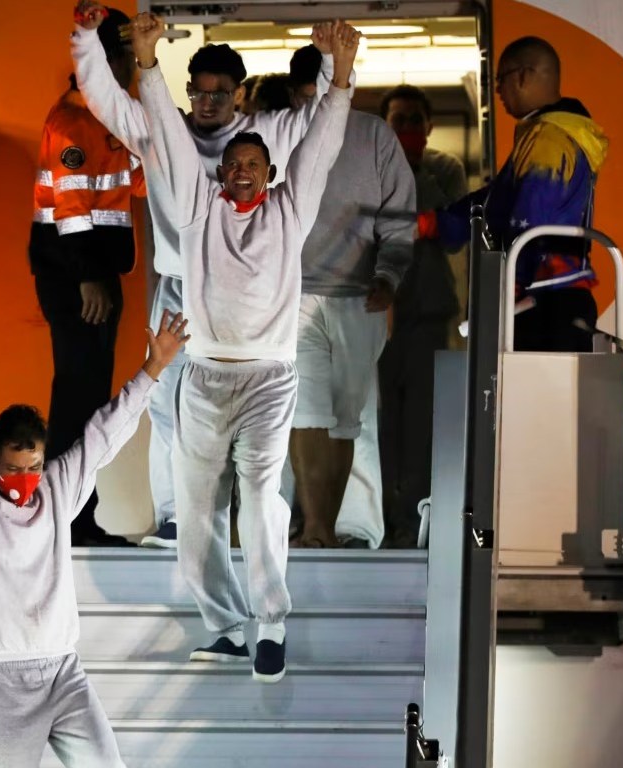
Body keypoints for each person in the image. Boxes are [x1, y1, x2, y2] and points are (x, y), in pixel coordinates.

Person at [131, 11, 360, 683]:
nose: (239, 173)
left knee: (260, 499)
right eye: (232, 165)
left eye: (252, 166)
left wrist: (341, 75)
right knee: (197, 510)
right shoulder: (197, 208)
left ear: (269, 173)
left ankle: (270, 623)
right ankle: (226, 629)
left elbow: (322, 144)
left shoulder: (291, 209)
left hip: (267, 381)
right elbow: (169, 136)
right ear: (220, 172)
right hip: (204, 380)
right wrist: (147, 66)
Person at [71, 1, 336, 549]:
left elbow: (324, 119)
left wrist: (334, 62)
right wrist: (85, 36)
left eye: (221, 93)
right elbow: (104, 99)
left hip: (254, 297)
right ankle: (176, 519)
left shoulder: (267, 133)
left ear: (240, 94)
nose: (209, 102)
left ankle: (262, 520)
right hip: (179, 289)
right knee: (167, 406)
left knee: (265, 415)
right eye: (199, 91)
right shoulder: (160, 129)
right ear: (188, 90)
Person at [0, 307, 189, 767]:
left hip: (62, 671)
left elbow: (102, 436)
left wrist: (153, 368)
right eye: (13, 468)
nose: (25, 477)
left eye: (34, 467)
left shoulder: (57, 489)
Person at [282, 45, 415, 549]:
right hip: (292, 296)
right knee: (302, 414)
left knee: (352, 417)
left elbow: (398, 216)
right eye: (309, 97)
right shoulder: (279, 132)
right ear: (294, 95)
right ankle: (311, 526)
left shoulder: (374, 136)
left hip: (360, 296)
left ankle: (357, 529)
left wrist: (388, 277)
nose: (320, 106)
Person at [31, 7, 144, 546]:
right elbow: (71, 210)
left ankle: (77, 517)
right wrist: (89, 277)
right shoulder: (74, 123)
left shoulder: (104, 119)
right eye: (127, 58)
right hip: (79, 278)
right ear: (108, 59)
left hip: (93, 275)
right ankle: (67, 521)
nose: (133, 69)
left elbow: (136, 184)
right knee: (79, 399)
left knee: (89, 398)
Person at [424, 36, 608, 352]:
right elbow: (498, 199)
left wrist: (513, 282)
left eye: (500, 80)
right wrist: (439, 224)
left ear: (522, 76)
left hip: (544, 303)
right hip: (548, 299)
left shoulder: (548, 139)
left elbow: (529, 216)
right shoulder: (548, 134)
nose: (497, 91)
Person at [376, 83, 469, 548]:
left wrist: (413, 168)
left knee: (422, 424)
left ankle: (412, 521)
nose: (409, 127)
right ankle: (379, 518)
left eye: (416, 119)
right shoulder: (370, 166)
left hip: (429, 311)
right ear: (384, 125)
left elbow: (454, 234)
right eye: (399, 120)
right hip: (377, 311)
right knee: (380, 421)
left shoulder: (446, 169)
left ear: (430, 125)